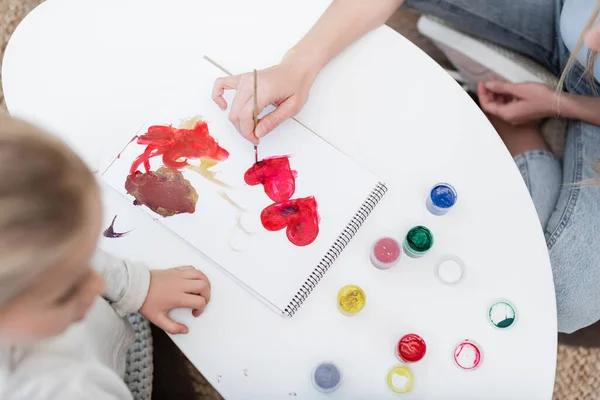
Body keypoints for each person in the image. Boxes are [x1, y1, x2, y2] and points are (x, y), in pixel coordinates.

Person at [213, 0, 600, 334]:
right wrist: (298, 66)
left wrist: (557, 104)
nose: (593, 41)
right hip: (559, 14)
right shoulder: (588, 31)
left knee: (560, 299)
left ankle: (517, 131)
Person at [0, 114, 211, 399]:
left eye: (87, 257)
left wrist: (136, 287)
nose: (96, 286)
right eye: (67, 290)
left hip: (120, 336)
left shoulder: (26, 247)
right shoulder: (68, 390)